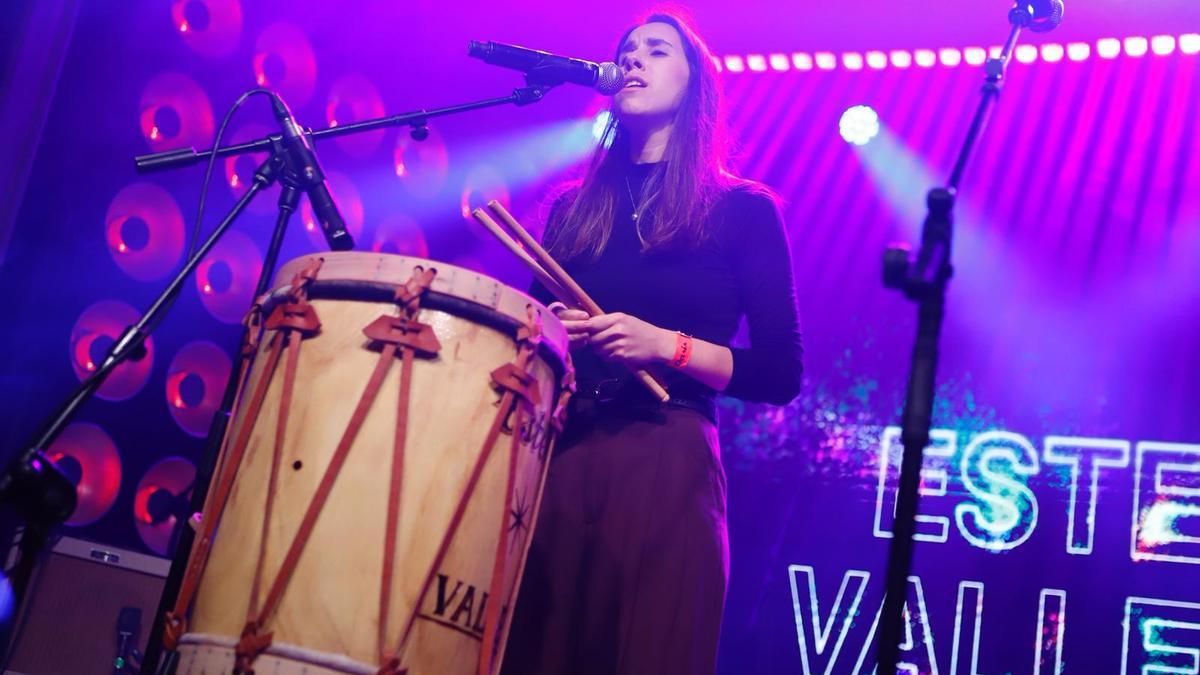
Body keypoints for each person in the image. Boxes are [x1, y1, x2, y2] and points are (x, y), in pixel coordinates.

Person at [502, 11, 803, 675]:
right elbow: (520, 335)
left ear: (696, 85)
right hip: (561, 452)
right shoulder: (571, 208)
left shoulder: (742, 210)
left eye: (656, 50)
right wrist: (550, 328)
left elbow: (781, 373)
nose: (634, 58)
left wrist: (666, 345)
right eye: (626, 50)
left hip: (667, 453)